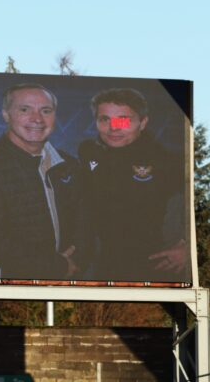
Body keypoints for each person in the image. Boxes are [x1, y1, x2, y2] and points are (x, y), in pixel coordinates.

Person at [0, 83, 81, 280]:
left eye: (46, 110)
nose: (37, 119)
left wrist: (76, 264)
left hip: (63, 289)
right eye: (24, 110)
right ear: (6, 115)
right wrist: (56, 267)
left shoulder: (69, 166)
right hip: (2, 297)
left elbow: (86, 228)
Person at [76, 88, 188, 282]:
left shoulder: (168, 163)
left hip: (154, 269)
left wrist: (189, 248)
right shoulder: (88, 153)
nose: (113, 128)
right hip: (101, 268)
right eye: (104, 119)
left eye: (123, 120)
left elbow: (203, 211)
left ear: (143, 122)